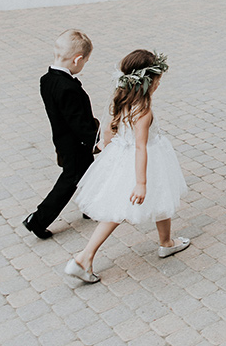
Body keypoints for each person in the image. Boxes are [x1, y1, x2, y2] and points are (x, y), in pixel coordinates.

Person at [65, 49, 190, 283]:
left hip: (120, 157)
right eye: (158, 80)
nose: (159, 84)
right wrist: (141, 183)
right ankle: (84, 258)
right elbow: (141, 147)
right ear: (148, 81)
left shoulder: (121, 99)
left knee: (153, 198)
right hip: (143, 160)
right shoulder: (143, 110)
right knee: (122, 209)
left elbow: (109, 127)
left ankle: (166, 242)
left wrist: (106, 144)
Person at [24, 30, 100, 240]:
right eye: (84, 61)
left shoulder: (47, 79)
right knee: (69, 181)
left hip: (64, 139)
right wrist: (97, 140)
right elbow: (78, 122)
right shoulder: (68, 87)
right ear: (77, 59)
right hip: (76, 143)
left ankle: (89, 207)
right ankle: (38, 219)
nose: (83, 65)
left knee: (89, 173)